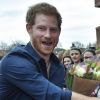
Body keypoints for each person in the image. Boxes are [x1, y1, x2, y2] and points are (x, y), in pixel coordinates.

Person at [0, 2, 99, 100]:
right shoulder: (14, 61)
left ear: (59, 32)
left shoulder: (58, 67)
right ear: (29, 28)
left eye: (53, 29)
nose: (48, 35)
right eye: (41, 28)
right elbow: (52, 95)